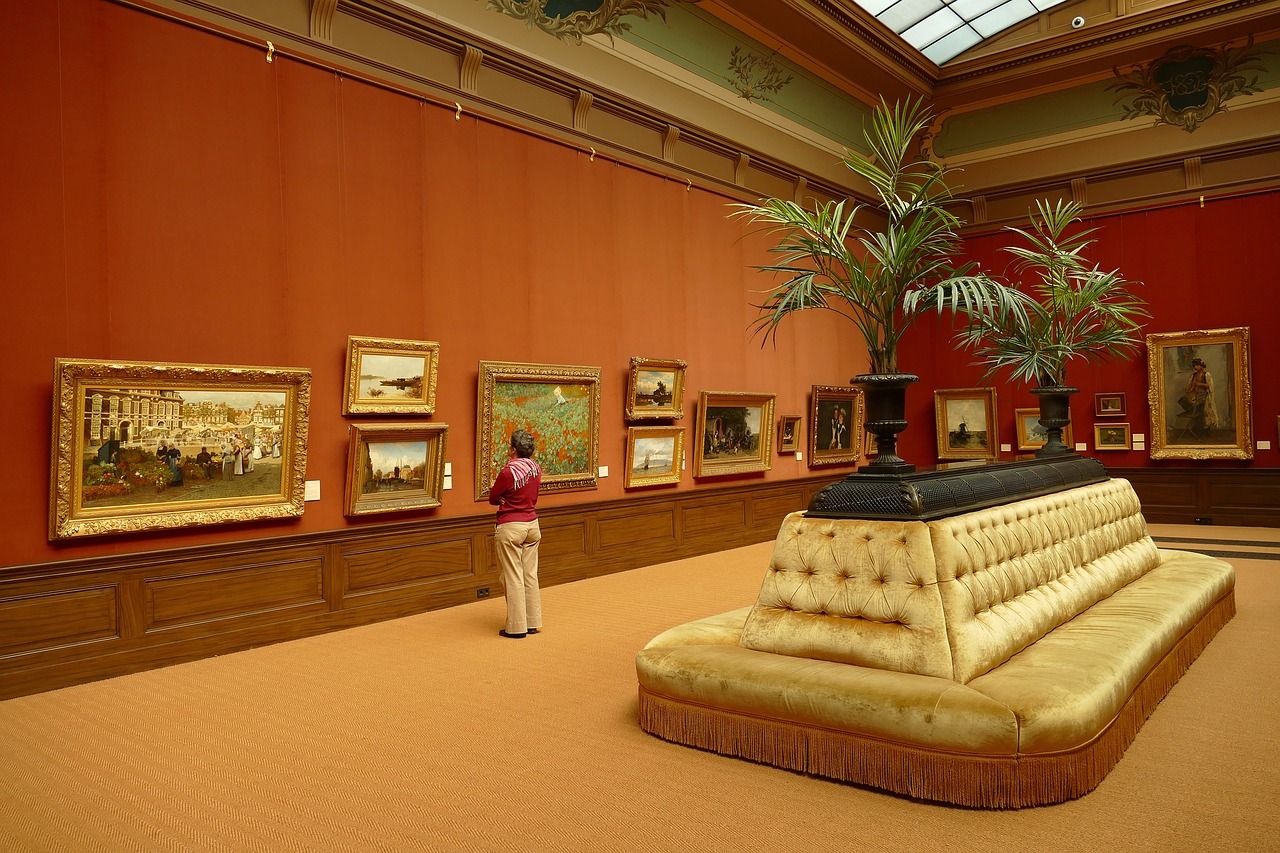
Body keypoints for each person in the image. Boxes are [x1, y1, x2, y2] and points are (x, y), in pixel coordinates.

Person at [488, 429, 543, 639]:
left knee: (512, 577)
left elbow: (493, 498)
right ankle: (533, 622)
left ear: (513, 449)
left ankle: (517, 627)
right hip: (532, 525)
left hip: (511, 526)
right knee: (530, 575)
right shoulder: (536, 468)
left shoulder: (508, 472)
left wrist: (505, 500)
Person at [1178, 357, 1218, 432]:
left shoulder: (1206, 374)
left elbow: (1209, 386)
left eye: (1196, 365)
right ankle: (1193, 414)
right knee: (1182, 400)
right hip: (1195, 396)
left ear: (1201, 365)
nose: (1195, 367)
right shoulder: (1194, 375)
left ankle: (1205, 429)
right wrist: (1189, 389)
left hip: (1203, 396)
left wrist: (1199, 384)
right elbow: (1191, 386)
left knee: (1204, 411)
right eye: (1194, 366)